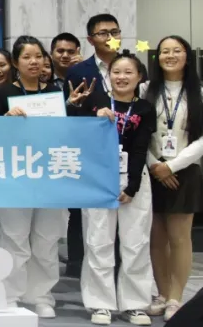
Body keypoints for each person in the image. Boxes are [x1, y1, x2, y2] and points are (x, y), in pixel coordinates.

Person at [0, 35, 82, 319]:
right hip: (15, 176)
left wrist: (71, 108)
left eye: (38, 56)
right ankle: (8, 294)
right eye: (27, 57)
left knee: (47, 238)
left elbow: (66, 135)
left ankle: (41, 295)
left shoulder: (55, 92)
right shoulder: (4, 93)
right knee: (14, 236)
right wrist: (5, 121)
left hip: (49, 175)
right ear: (15, 62)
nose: (34, 62)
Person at [70, 52, 155, 326]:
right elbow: (75, 130)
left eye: (129, 72)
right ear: (109, 75)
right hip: (98, 178)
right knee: (98, 241)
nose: (122, 77)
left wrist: (133, 186)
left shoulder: (145, 108)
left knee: (136, 242)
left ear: (139, 77)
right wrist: (93, 114)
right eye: (117, 72)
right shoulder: (96, 100)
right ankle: (100, 303)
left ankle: (135, 304)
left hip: (133, 179)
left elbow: (141, 148)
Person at [143, 36, 203, 321]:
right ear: (157, 58)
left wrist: (174, 166)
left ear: (187, 57)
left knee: (179, 237)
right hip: (151, 170)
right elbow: (137, 133)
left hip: (185, 171)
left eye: (176, 51)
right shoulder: (145, 90)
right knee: (156, 237)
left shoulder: (199, 92)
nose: (170, 55)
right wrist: (155, 164)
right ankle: (162, 293)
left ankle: (176, 298)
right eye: (165, 51)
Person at [65, 14, 122, 281]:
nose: (110, 37)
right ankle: (85, 270)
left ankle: (120, 272)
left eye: (114, 31)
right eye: (103, 33)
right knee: (90, 220)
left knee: (126, 219)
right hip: (91, 153)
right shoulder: (79, 71)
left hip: (125, 151)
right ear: (90, 40)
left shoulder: (131, 66)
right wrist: (82, 108)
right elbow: (70, 116)